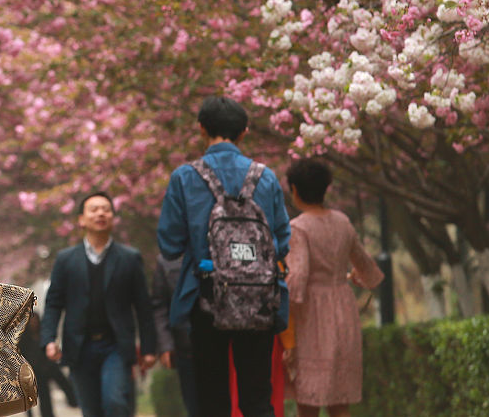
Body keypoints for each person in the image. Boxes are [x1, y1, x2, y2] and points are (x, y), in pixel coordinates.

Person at [156, 96, 291, 417]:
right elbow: (282, 242)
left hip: (206, 297)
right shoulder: (265, 177)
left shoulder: (185, 177)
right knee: (257, 400)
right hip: (258, 299)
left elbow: (170, 245)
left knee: (212, 399)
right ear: (244, 132)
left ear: (202, 129)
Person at [41, 191, 158, 417]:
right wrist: (49, 339)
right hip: (79, 348)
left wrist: (149, 348)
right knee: (91, 410)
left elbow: (143, 306)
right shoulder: (66, 259)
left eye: (106, 209)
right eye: (94, 209)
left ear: (113, 217)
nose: (100, 214)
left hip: (116, 346)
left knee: (115, 402)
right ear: (81, 220)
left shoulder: (129, 258)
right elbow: (54, 302)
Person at [283, 158, 384, 417]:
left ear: (294, 190)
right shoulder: (342, 221)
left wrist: (281, 311)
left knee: (308, 400)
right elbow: (364, 264)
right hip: (343, 309)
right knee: (340, 401)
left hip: (311, 316)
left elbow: (298, 277)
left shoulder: (298, 228)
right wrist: (355, 276)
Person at [151, 253, 197, 417]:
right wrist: (165, 345)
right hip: (186, 349)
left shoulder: (219, 251)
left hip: (222, 347)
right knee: (195, 406)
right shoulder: (166, 261)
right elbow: (159, 307)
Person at [18, 309, 77, 417]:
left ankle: (73, 401)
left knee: (64, 383)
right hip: (36, 371)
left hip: (49, 366)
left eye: (36, 320)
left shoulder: (43, 334)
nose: (34, 323)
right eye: (32, 320)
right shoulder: (24, 338)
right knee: (43, 394)